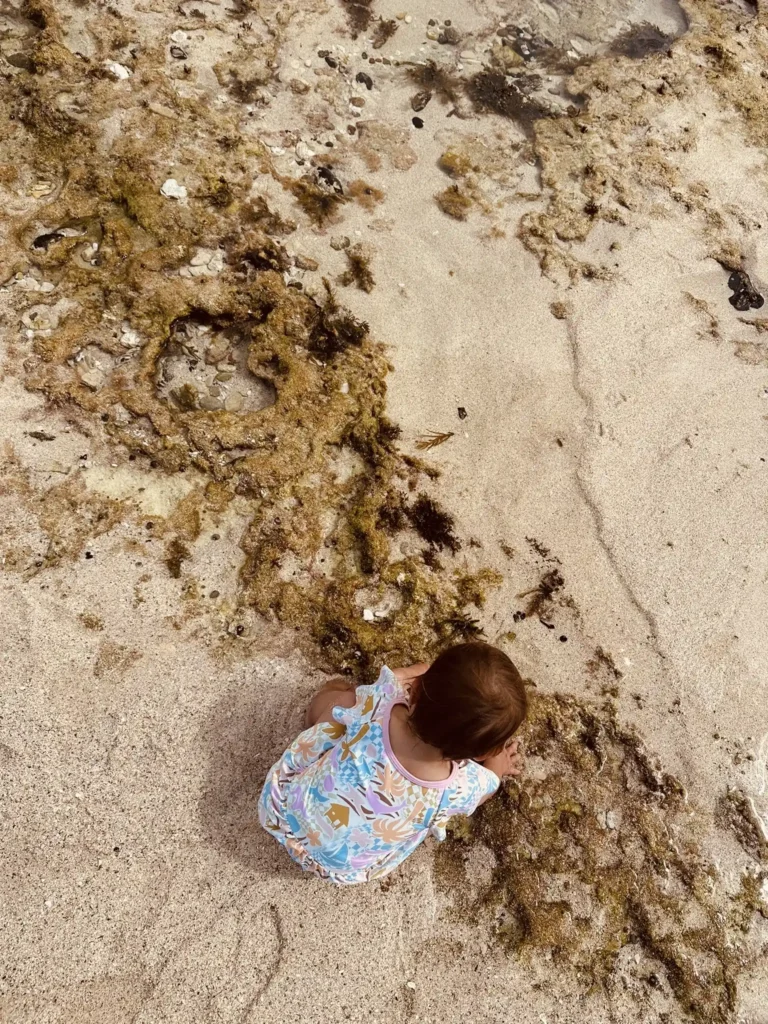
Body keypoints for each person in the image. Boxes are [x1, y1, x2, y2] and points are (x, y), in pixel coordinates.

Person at [258, 641, 528, 885]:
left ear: (416, 689)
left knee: (345, 699)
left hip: (283, 808)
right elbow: (487, 789)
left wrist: (415, 673)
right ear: (478, 754)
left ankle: (315, 710)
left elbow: (394, 678)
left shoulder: (382, 702)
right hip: (338, 865)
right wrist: (496, 766)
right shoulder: (458, 788)